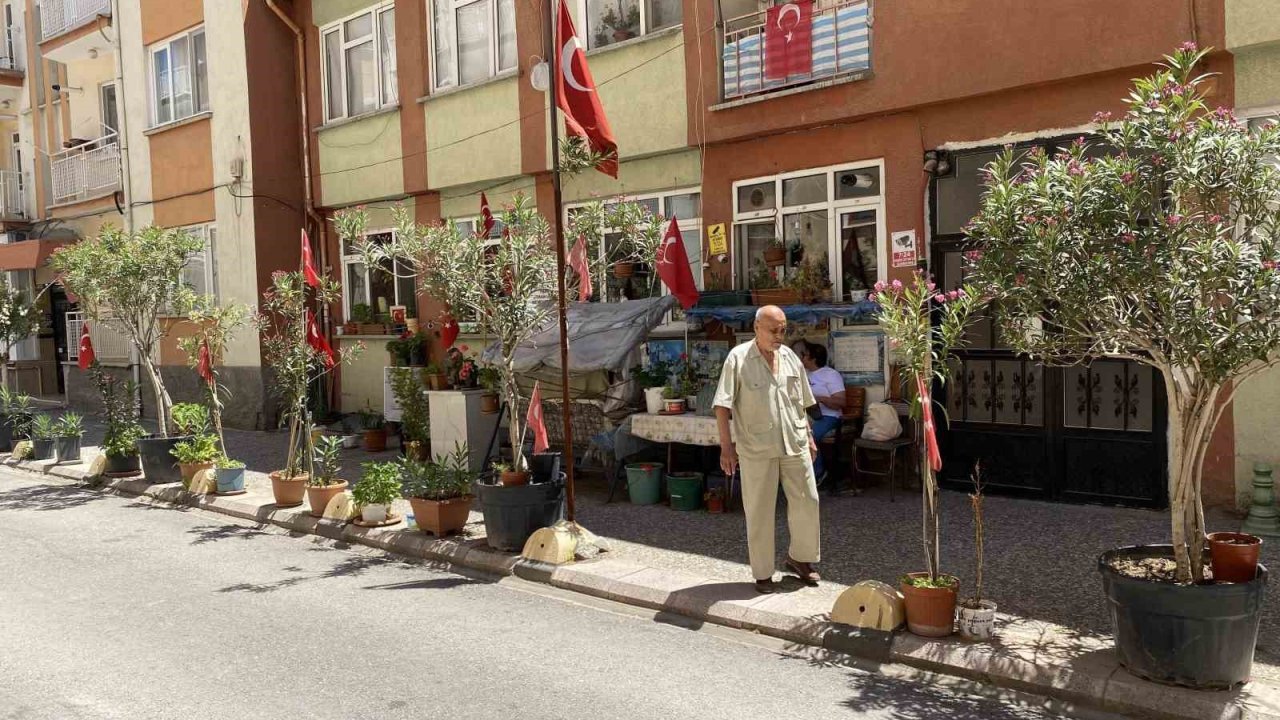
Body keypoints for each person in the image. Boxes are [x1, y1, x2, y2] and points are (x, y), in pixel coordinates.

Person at [713, 305, 822, 593]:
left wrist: (809, 435)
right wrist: (727, 447)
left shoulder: (789, 358)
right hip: (756, 447)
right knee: (759, 510)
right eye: (774, 329)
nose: (779, 335)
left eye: (783, 329)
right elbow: (722, 406)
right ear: (757, 327)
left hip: (794, 441)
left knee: (808, 500)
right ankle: (763, 573)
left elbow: (801, 402)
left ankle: (800, 559)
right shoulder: (738, 358)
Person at [798, 341, 845, 486]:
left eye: (804, 355)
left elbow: (841, 402)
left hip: (829, 417)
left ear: (812, 358)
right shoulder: (804, 374)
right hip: (808, 416)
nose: (802, 358)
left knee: (807, 437)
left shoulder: (830, 375)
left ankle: (818, 474)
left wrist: (819, 399)